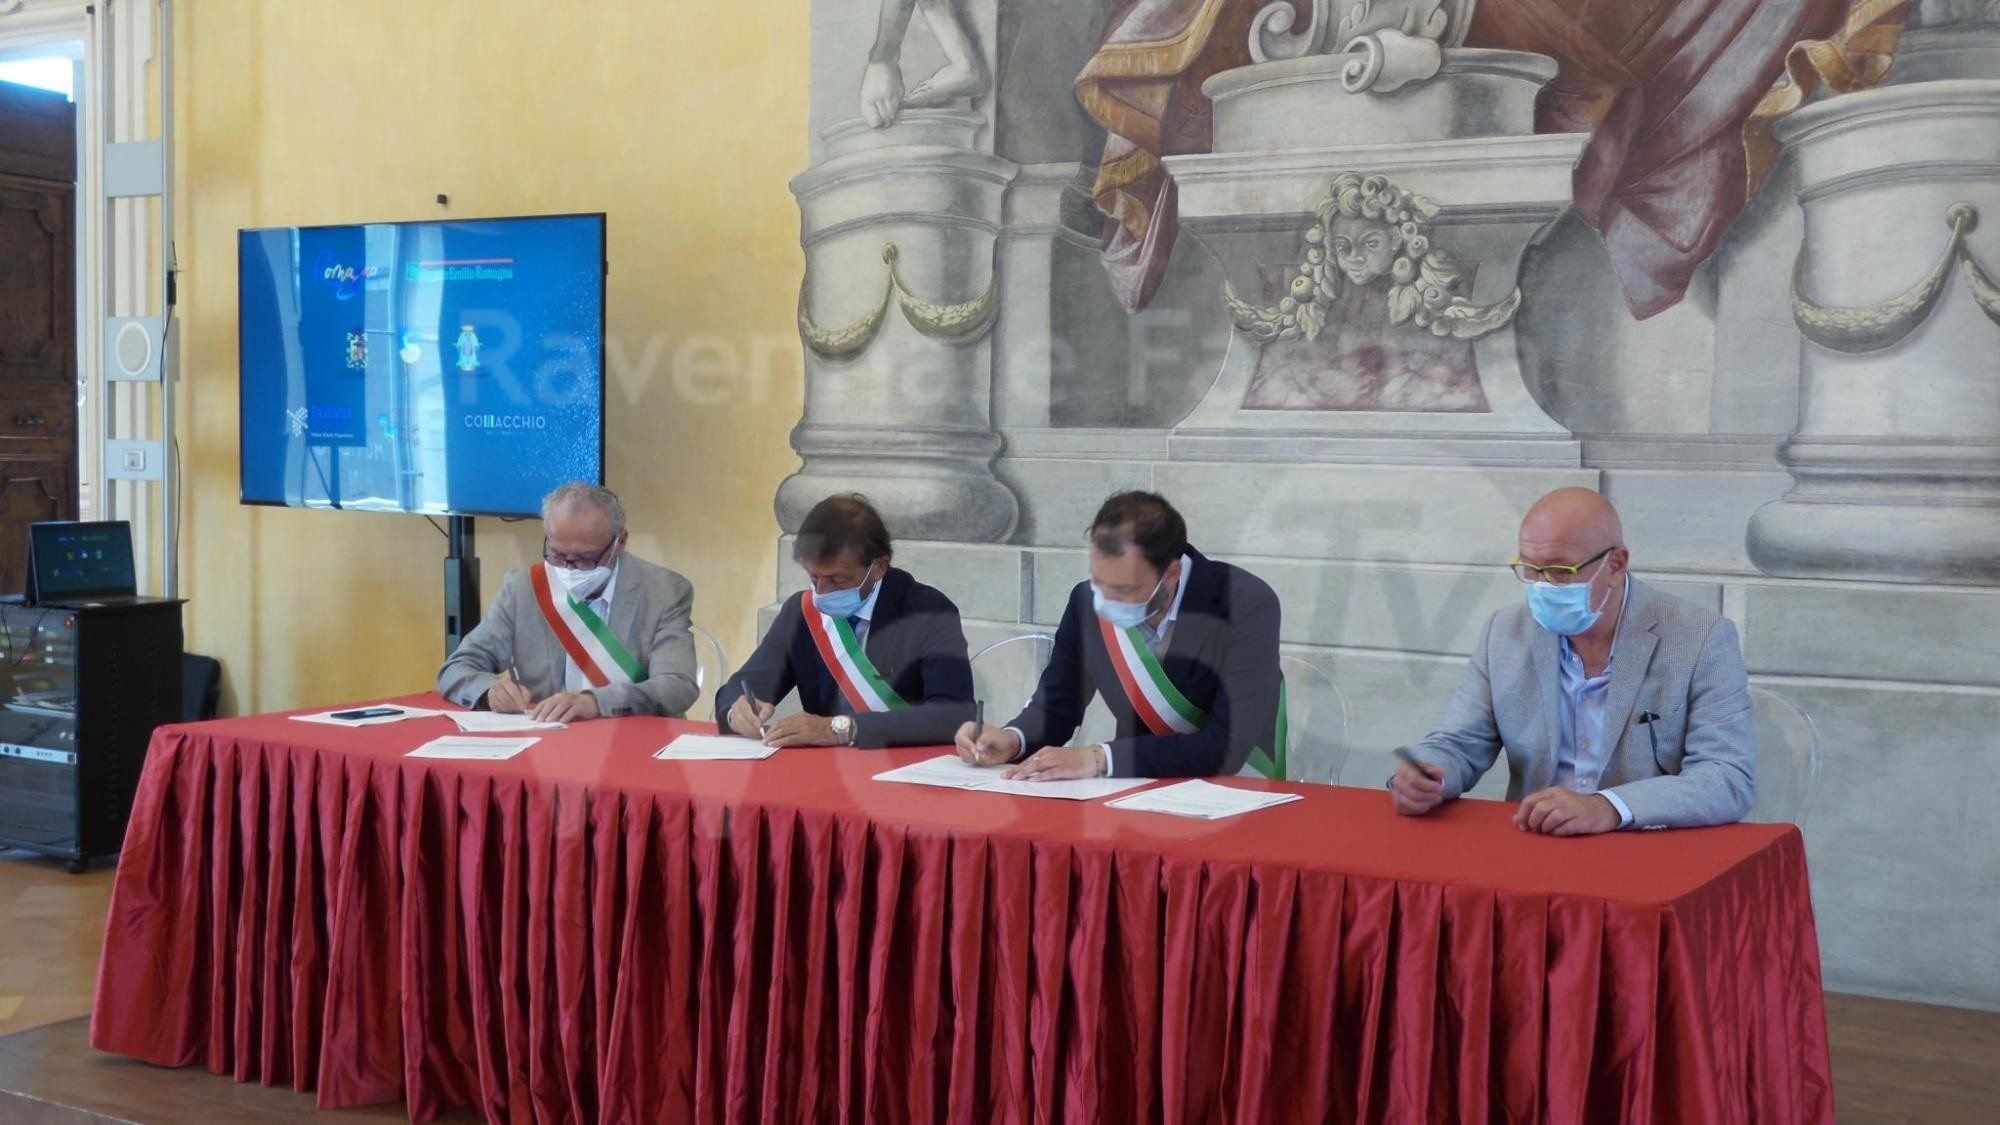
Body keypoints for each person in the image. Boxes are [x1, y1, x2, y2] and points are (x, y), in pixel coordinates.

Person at [1390, 487, 1755, 834]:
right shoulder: (1504, 632)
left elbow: (1727, 777)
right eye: (1530, 569)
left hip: (1645, 847)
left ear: (1616, 564)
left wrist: (1608, 807)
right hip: (1535, 841)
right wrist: (1428, 774)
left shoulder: (1700, 637)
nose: (1542, 585)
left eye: (1560, 571)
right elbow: (1457, 743)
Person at [955, 490, 1283, 779]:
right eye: (1099, 582)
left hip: (1235, 792)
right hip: (1133, 791)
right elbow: (1058, 704)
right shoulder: (1086, 602)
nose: (1106, 601)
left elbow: (1225, 745)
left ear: (1171, 574)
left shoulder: (1246, 603)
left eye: (1124, 589)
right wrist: (1013, 739)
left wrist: (1099, 759)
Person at [713, 494, 974, 747]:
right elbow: (739, 687)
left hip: (903, 766)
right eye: (814, 578)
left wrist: (841, 729)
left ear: (879, 567)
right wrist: (736, 712)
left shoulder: (929, 612)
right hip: (826, 769)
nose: (822, 593)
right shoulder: (801, 613)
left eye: (837, 579)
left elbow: (954, 714)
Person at [437, 482, 698, 721]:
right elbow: (456, 668)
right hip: (546, 741)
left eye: (586, 558)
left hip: (633, 741)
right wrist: (488, 690)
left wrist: (596, 702)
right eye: (557, 555)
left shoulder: (664, 591)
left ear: (620, 542)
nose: (569, 569)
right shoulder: (523, 588)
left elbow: (677, 686)